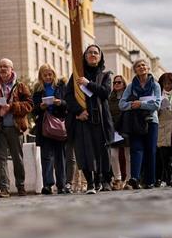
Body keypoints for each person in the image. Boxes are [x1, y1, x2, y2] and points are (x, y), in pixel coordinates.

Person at [64, 45, 114, 194]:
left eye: (95, 53)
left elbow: (105, 93)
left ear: (100, 57)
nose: (92, 55)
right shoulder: (76, 75)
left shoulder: (105, 76)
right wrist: (78, 111)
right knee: (84, 151)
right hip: (83, 119)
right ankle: (91, 183)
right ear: (85, 57)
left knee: (102, 151)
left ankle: (103, 181)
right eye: (89, 53)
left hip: (100, 119)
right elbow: (68, 96)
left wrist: (88, 84)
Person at [0, 58, 33, 198]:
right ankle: (4, 189)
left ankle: (21, 186)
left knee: (18, 158)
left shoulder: (21, 86)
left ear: (12, 68)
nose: (2, 69)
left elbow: (29, 105)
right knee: (1, 159)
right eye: (0, 66)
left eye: (5, 66)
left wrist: (12, 107)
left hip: (16, 127)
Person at [119, 59, 162, 189]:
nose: (141, 67)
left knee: (150, 151)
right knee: (136, 150)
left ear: (148, 68)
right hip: (136, 122)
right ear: (135, 70)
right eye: (138, 66)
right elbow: (122, 104)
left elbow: (156, 104)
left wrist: (141, 104)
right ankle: (135, 178)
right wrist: (133, 105)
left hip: (151, 121)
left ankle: (150, 180)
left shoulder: (155, 85)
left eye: (144, 65)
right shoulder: (130, 86)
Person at [32, 64, 68, 194]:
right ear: (41, 76)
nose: (48, 77)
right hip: (45, 127)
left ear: (53, 74)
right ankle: (47, 184)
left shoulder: (61, 87)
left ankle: (61, 185)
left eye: (50, 74)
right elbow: (33, 109)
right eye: (45, 75)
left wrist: (60, 103)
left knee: (60, 157)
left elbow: (68, 104)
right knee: (46, 157)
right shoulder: (37, 90)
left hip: (59, 125)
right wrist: (40, 107)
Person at [108, 75, 131, 190]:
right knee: (113, 155)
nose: (116, 84)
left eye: (119, 82)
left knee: (128, 155)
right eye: (114, 82)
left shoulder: (129, 96)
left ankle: (128, 179)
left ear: (124, 84)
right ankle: (117, 178)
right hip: (114, 129)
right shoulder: (110, 98)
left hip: (126, 128)